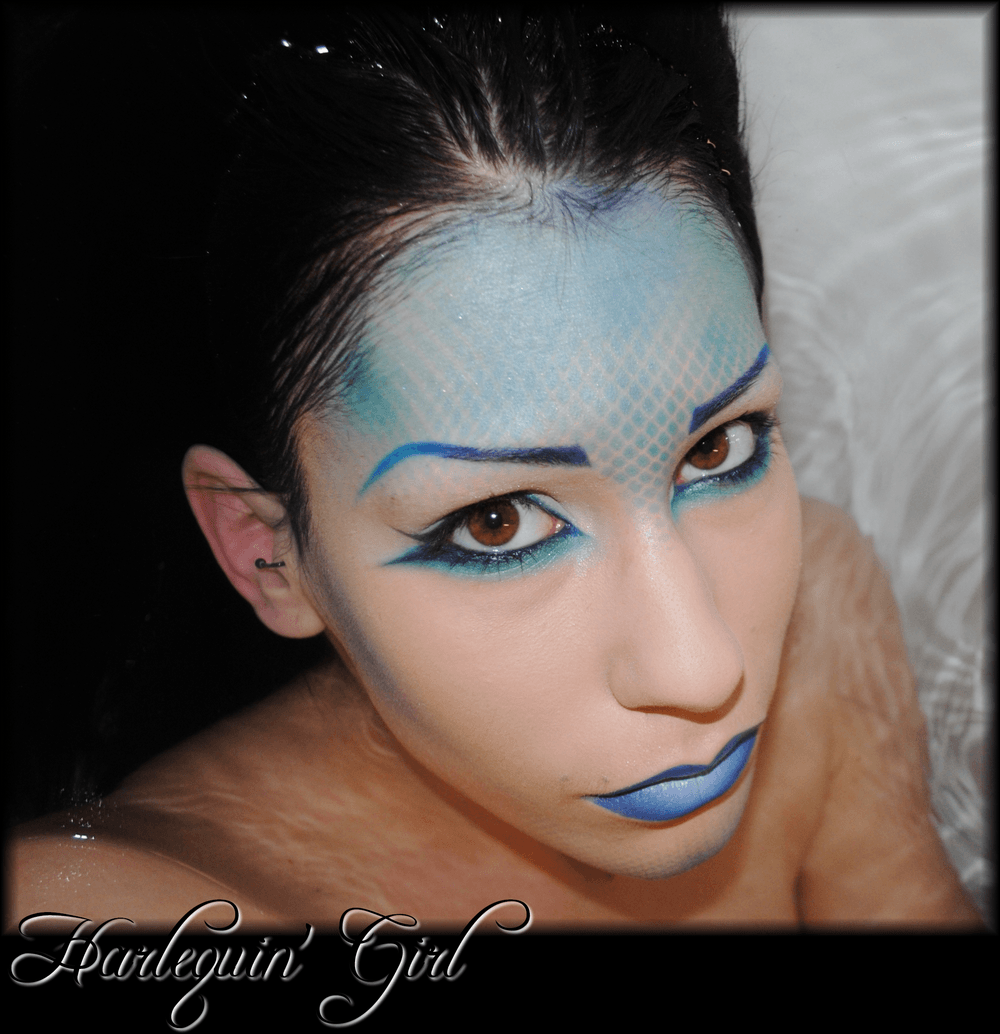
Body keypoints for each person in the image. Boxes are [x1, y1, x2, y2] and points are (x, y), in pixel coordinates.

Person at [6, 7, 980, 931]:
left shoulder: (822, 624)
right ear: (267, 553)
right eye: (497, 522)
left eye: (718, 448)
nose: (703, 668)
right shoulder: (103, 911)